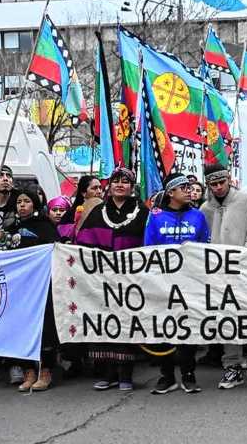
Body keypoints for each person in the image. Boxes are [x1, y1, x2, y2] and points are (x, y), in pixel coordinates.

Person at [71, 168, 150, 392]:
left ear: (132, 187)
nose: (120, 185)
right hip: (102, 279)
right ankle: (107, 373)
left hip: (131, 279)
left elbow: (150, 244)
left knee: (126, 324)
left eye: (125, 182)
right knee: (105, 324)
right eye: (116, 181)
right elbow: (85, 242)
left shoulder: (142, 212)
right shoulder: (98, 211)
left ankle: (126, 374)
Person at [199, 163, 247, 390]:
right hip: (219, 274)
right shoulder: (204, 210)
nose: (218, 187)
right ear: (208, 185)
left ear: (229, 179)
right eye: (213, 184)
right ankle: (232, 366)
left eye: (222, 182)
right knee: (226, 319)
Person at [144, 173, 211, 395]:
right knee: (164, 328)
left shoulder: (198, 216)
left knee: (187, 328)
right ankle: (167, 375)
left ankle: (188, 373)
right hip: (163, 284)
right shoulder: (155, 217)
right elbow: (148, 249)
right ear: (171, 192)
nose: (189, 191)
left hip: (190, 283)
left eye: (190, 187)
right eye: (183, 187)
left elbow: (205, 248)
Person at [0, 188, 60, 392]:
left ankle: (45, 370)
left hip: (40, 286)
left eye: (26, 201)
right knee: (21, 326)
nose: (21, 205)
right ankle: (28, 371)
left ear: (34, 204)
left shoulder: (45, 225)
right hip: (19, 287)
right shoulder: (11, 226)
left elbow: (52, 250)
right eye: (18, 202)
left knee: (44, 328)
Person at [58, 176, 104, 241]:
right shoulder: (71, 214)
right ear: (83, 193)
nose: (99, 191)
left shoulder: (107, 211)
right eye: (94, 188)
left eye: (100, 188)